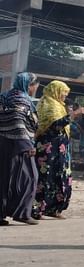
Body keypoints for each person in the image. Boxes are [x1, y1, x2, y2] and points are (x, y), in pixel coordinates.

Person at [34, 81, 84, 219]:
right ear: (55, 90)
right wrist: (74, 114)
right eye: (63, 92)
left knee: (61, 177)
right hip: (48, 150)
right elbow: (55, 125)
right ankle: (38, 209)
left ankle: (54, 208)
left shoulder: (58, 105)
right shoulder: (48, 104)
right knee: (45, 178)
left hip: (61, 150)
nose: (65, 95)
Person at [0, 72, 41, 225]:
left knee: (3, 179)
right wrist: (27, 144)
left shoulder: (5, 96)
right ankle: (22, 213)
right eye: (35, 85)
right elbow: (18, 122)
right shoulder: (22, 100)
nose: (35, 89)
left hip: (3, 143)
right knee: (30, 176)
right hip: (19, 145)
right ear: (29, 85)